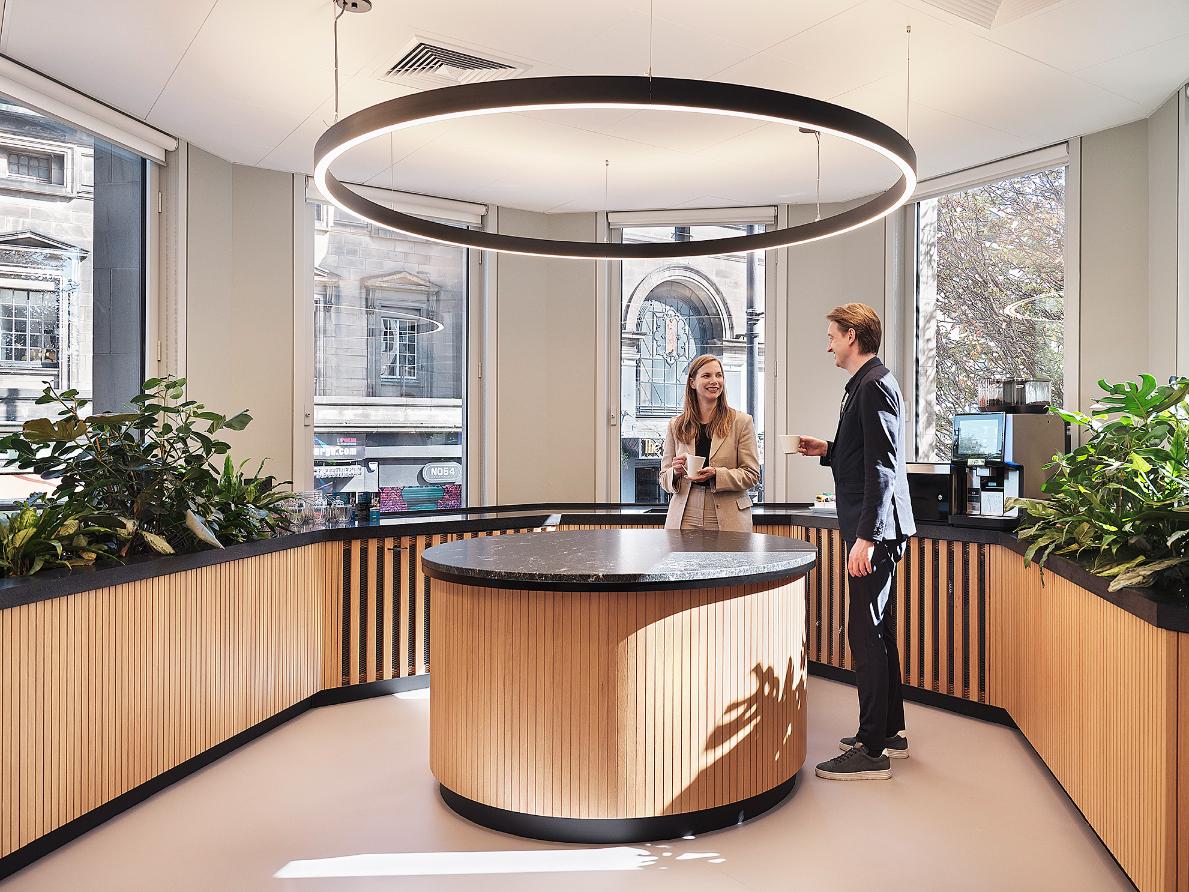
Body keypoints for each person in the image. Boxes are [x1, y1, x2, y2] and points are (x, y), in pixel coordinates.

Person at [797, 303, 916, 781]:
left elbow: (882, 469)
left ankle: (870, 752)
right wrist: (828, 450)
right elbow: (864, 455)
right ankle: (888, 731)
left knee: (865, 633)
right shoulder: (867, 385)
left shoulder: (873, 387)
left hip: (875, 532)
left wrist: (865, 537)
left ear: (851, 336)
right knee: (878, 630)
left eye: (831, 335)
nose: (827, 344)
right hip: (879, 527)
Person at [659, 354, 760, 532]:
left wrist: (716, 474)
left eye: (718, 375)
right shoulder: (676, 425)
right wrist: (674, 472)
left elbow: (751, 474)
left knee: (727, 561)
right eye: (706, 376)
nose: (714, 381)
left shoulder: (742, 422)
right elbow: (663, 478)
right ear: (692, 382)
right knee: (683, 561)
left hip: (729, 514)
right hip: (685, 512)